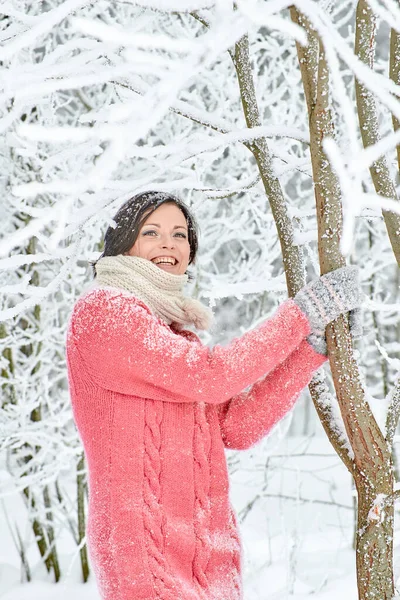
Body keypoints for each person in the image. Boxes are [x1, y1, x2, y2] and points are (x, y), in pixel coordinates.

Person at [66, 190, 362, 600]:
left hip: (212, 563)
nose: (169, 243)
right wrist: (301, 314)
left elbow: (236, 427)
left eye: (180, 235)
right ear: (123, 244)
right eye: (151, 232)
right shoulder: (104, 313)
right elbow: (215, 377)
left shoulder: (174, 334)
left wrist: (310, 351)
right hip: (146, 561)